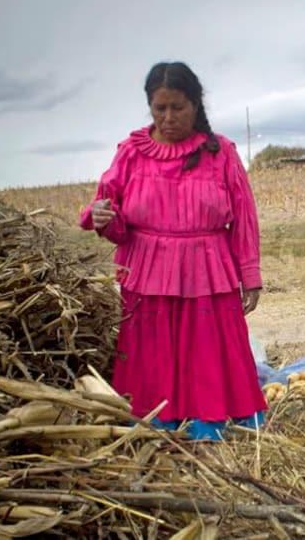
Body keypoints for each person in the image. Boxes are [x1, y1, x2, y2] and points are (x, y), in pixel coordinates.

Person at [79, 62, 265, 440]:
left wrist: (250, 276)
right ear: (149, 106)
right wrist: (100, 217)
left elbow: (244, 217)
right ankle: (157, 420)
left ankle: (209, 420)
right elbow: (113, 222)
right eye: (159, 108)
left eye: (177, 107)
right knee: (152, 347)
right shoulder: (131, 153)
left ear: (195, 105)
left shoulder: (221, 152)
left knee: (209, 347)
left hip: (209, 267)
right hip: (147, 269)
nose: (168, 117)